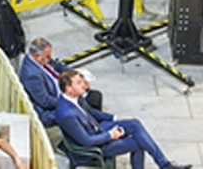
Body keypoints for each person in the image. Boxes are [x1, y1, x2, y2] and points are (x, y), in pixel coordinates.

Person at [55, 69, 189, 169]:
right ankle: (165, 165)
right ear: (68, 88)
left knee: (134, 124)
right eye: (79, 83)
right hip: (94, 146)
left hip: (97, 129)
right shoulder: (67, 115)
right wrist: (110, 135)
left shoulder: (75, 98)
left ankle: (164, 164)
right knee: (138, 143)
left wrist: (115, 118)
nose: (84, 85)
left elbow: (93, 113)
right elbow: (87, 141)